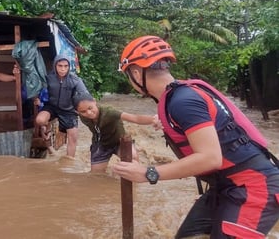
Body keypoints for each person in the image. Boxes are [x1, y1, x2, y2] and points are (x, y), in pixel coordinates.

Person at [112, 35, 279, 238]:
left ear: (137, 74)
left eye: (128, 76)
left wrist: (149, 173)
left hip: (253, 186)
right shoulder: (179, 97)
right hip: (226, 184)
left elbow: (211, 158)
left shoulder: (182, 101)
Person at [73, 92, 161, 173]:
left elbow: (135, 118)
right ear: (78, 112)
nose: (88, 113)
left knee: (132, 158)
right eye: (83, 111)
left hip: (120, 142)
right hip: (101, 144)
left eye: (90, 108)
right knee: (96, 174)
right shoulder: (82, 117)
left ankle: (135, 182)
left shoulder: (109, 112)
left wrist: (154, 119)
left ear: (94, 101)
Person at [35, 55, 89, 158]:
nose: (63, 69)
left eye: (66, 66)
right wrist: (37, 99)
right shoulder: (48, 78)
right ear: (55, 65)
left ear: (69, 67)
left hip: (68, 109)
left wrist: (83, 108)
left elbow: (85, 95)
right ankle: (48, 141)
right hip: (51, 107)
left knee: (73, 137)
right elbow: (38, 90)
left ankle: (69, 161)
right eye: (60, 66)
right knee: (40, 120)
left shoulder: (75, 80)